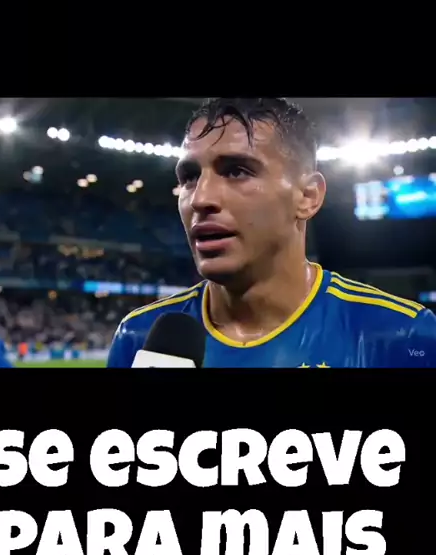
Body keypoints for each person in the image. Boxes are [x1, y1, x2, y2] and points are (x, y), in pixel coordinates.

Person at [107, 97, 436, 368]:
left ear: (307, 197)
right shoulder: (138, 337)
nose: (200, 199)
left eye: (236, 171)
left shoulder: (403, 336)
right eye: (190, 177)